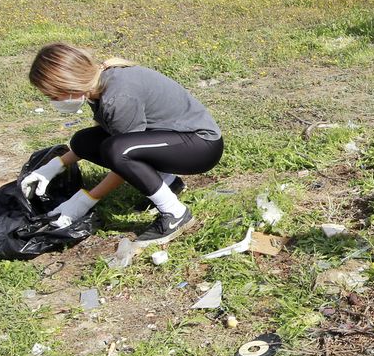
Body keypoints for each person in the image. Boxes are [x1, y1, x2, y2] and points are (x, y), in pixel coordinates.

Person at [20, 43, 224, 247]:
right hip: (172, 137)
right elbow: (111, 133)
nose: (53, 102)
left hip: (201, 145)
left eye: (53, 96)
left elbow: (123, 158)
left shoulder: (118, 96)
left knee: (117, 151)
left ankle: (175, 214)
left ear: (69, 84)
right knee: (83, 141)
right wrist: (54, 166)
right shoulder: (99, 83)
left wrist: (85, 200)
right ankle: (169, 183)